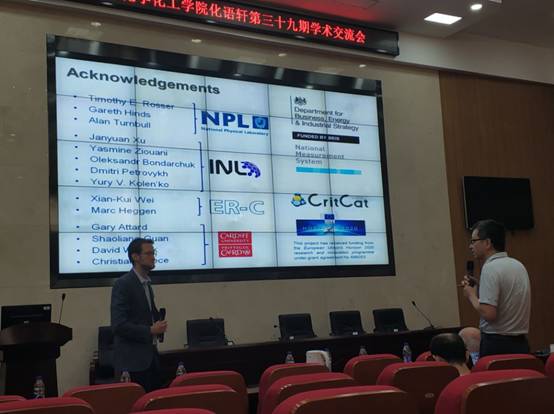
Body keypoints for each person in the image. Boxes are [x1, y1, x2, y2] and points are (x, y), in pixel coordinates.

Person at [462, 219, 531, 357]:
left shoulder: (490, 268)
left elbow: (489, 314)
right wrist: (481, 286)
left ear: (487, 243)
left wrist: (471, 295)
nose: (470, 246)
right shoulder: (518, 265)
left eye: (473, 241)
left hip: (497, 345)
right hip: (521, 343)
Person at [111, 238, 167, 391]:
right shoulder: (123, 284)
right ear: (135, 257)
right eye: (148, 253)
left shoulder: (147, 284)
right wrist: (150, 330)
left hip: (150, 359)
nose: (153, 257)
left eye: (153, 253)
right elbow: (118, 325)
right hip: (132, 363)